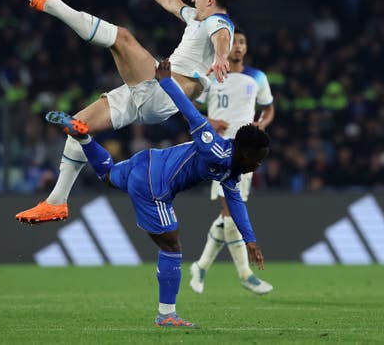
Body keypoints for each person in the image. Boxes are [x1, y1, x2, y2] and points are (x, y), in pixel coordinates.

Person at [16, 0, 239, 223]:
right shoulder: (197, 19)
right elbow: (171, 1)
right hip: (153, 91)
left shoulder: (218, 22)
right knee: (78, 123)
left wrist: (220, 57)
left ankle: (49, 3)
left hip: (163, 90)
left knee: (122, 37)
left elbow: (222, 36)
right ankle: (56, 202)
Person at [42, 60, 268, 327]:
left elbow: (235, 202)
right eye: (258, 158)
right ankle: (167, 315)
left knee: (108, 176)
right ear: (244, 153)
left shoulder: (232, 170)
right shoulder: (214, 148)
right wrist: (166, 81)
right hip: (155, 185)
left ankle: (85, 139)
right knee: (172, 245)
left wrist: (250, 240)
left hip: (145, 162)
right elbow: (191, 114)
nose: (259, 164)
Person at [189, 27, 275, 295]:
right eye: (234, 41)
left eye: (242, 41)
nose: (238, 45)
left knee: (226, 216)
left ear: (246, 48)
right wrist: (209, 121)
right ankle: (245, 274)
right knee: (229, 213)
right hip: (219, 150)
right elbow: (189, 104)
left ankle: (200, 267)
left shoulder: (257, 77)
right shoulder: (213, 75)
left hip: (245, 155)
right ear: (226, 47)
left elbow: (268, 108)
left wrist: (261, 125)